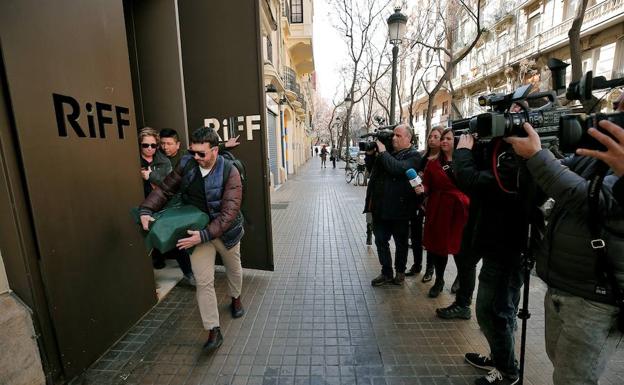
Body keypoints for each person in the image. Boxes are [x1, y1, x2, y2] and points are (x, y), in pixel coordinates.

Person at [506, 118, 624, 385]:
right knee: (560, 366)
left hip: (596, 298)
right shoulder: (593, 156)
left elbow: (587, 199)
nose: (613, 116)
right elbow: (553, 178)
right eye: (616, 106)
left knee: (572, 379)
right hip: (560, 285)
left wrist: (537, 155)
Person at [139, 126, 246, 351]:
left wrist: (205, 234)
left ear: (215, 151)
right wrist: (146, 209)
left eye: (201, 154)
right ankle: (213, 330)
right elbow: (166, 189)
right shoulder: (187, 163)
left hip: (224, 232)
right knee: (204, 281)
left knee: (233, 269)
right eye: (193, 152)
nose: (196, 157)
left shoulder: (230, 171)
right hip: (195, 232)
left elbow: (229, 212)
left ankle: (235, 297)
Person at [415, 129, 469, 298]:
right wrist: (422, 189)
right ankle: (439, 280)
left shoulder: (466, 162)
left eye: (448, 138)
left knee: (460, 247)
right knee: (439, 248)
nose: (444, 141)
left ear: (456, 141)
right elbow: (428, 185)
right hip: (439, 208)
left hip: (460, 209)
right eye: (443, 138)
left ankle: (461, 278)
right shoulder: (433, 163)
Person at [364, 124, 421, 286]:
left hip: (401, 210)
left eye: (398, 136)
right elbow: (372, 170)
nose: (394, 138)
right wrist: (370, 155)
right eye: (393, 135)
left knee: (401, 243)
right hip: (380, 207)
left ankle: (400, 272)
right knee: (381, 241)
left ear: (408, 138)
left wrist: (382, 152)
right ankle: (386, 272)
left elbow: (397, 169)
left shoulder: (413, 156)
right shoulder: (387, 153)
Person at [406, 127, 443, 281]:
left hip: (435, 204)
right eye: (430, 136)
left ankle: (430, 269)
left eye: (436, 137)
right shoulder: (423, 157)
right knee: (415, 235)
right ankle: (417, 264)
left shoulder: (444, 159)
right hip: (418, 202)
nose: (432, 139)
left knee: (431, 238)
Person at [138, 127, 171, 198]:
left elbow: (171, 185)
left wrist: (151, 176)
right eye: (145, 145)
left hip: (159, 202)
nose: (149, 148)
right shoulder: (133, 161)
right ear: (140, 145)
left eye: (153, 145)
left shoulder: (164, 161)